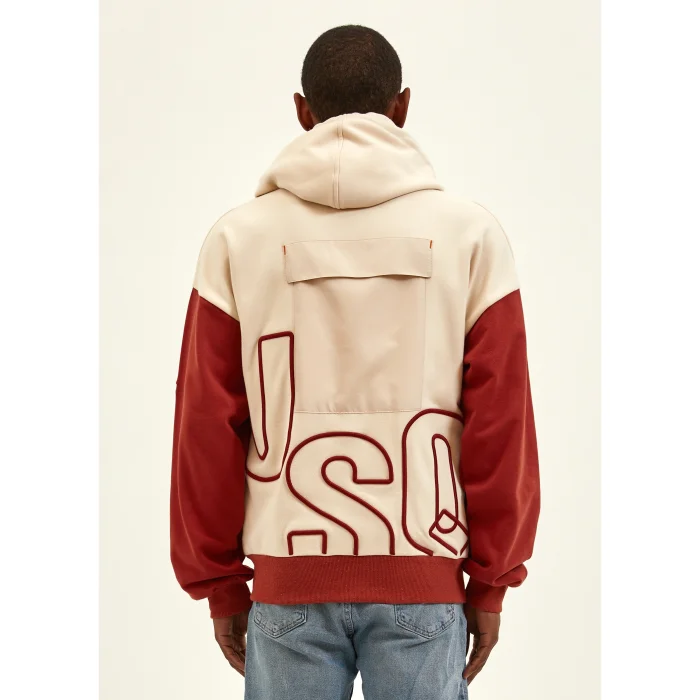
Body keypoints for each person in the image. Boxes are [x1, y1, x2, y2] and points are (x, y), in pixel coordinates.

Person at [170, 24, 540, 700]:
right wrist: (492, 581)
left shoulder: (236, 240)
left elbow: (205, 424)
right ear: (402, 107)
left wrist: (220, 582)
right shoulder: (471, 236)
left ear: (302, 112)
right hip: (424, 582)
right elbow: (502, 421)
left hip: (287, 582)